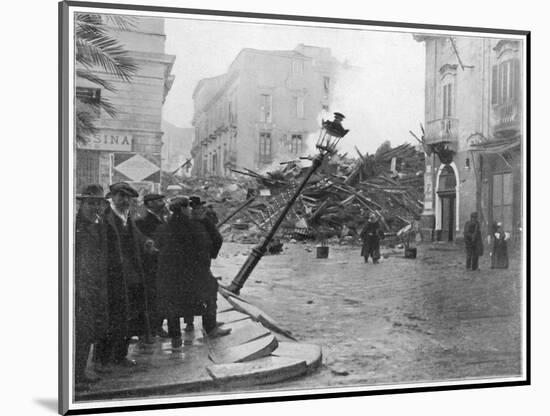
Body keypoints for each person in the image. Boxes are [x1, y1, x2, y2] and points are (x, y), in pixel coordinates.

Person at [156, 197, 230, 348]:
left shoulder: (163, 228)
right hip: (195, 274)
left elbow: (158, 249)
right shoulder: (195, 227)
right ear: (184, 209)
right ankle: (210, 328)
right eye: (188, 208)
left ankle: (176, 337)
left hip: (170, 275)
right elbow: (207, 245)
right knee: (209, 294)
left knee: (173, 305)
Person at [95, 182, 154, 368]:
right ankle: (101, 360)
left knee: (129, 318)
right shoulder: (105, 218)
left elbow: (137, 236)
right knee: (110, 319)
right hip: (112, 277)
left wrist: (146, 243)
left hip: (130, 276)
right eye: (121, 196)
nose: (125, 200)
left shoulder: (126, 217)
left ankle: (120, 356)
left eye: (128, 197)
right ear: (111, 197)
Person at [74, 184, 109, 387]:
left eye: (98, 203)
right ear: (82, 204)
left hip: (95, 285)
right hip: (79, 288)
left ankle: (80, 371)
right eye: (90, 203)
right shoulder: (76, 227)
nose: (95, 207)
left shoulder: (99, 224)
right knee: (82, 332)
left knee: (89, 331)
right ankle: (77, 374)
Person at [135, 193, 169, 338]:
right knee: (151, 297)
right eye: (159, 201)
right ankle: (150, 329)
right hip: (150, 264)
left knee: (158, 296)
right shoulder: (143, 220)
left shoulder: (160, 217)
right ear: (149, 204)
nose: (163, 203)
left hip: (160, 263)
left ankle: (156, 327)